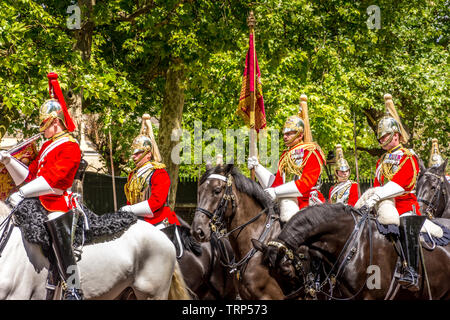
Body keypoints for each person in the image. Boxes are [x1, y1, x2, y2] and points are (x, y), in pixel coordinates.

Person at [0, 72, 83, 299]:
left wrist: (23, 193)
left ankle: (73, 287)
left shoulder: (69, 146)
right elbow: (30, 176)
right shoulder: (49, 146)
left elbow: (55, 181)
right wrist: (9, 162)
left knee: (59, 234)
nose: (41, 130)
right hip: (39, 201)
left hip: (59, 203)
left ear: (55, 122)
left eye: (44, 125)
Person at [364, 94, 424, 292]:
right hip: (384, 205)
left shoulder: (408, 157)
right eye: (379, 137)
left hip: (405, 204)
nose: (381, 139)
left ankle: (412, 272)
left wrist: (377, 195)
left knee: (407, 225)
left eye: (384, 136)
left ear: (396, 135)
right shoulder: (380, 161)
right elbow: (376, 185)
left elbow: (402, 184)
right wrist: (371, 198)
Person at [248, 94, 326, 223]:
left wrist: (276, 192)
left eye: (289, 134)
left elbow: (306, 184)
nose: (285, 137)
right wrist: (257, 167)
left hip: (307, 203)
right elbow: (276, 184)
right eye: (284, 134)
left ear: (300, 135)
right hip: (286, 201)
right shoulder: (285, 155)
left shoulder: (311, 152)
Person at [120, 114, 180, 229]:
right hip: (136, 219)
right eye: (133, 153)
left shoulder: (159, 173)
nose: (134, 156)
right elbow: (131, 200)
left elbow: (156, 202)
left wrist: (129, 209)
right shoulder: (133, 174)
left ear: (148, 154)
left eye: (138, 153)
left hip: (158, 221)